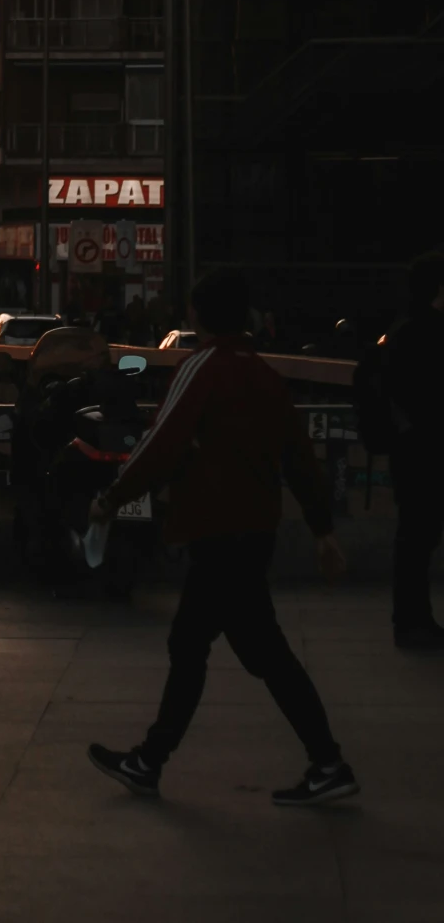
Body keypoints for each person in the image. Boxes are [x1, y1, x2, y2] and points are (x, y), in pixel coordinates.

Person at [86, 266, 357, 808]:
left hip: (216, 530)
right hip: (255, 529)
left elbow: (160, 442)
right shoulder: (263, 374)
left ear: (197, 315)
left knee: (224, 650)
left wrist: (112, 497)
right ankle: (155, 759)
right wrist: (323, 529)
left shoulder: (201, 369)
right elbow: (300, 459)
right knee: (231, 648)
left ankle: (323, 761)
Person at [380, 249, 444, 651]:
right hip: (428, 451)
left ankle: (411, 619)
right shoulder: (429, 332)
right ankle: (413, 620)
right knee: (419, 539)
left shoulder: (404, 329)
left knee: (415, 539)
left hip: (412, 450)